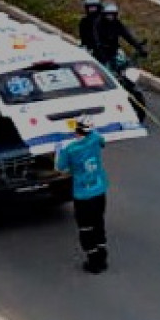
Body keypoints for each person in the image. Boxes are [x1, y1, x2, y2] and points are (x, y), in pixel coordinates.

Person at [55, 115, 109, 274]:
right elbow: (101, 141)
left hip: (83, 195)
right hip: (99, 190)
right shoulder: (96, 139)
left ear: (76, 130)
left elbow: (60, 168)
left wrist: (59, 151)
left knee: (86, 229)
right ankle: (103, 258)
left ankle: (93, 262)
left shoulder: (70, 149)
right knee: (98, 223)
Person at [87, 1, 147, 68]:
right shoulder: (98, 24)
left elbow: (128, 36)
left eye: (112, 14)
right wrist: (100, 50)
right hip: (100, 54)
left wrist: (139, 47)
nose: (110, 17)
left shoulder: (117, 23)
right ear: (103, 14)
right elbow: (95, 39)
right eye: (108, 14)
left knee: (126, 66)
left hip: (114, 51)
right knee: (106, 72)